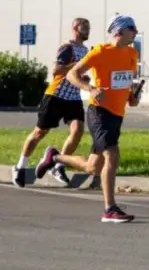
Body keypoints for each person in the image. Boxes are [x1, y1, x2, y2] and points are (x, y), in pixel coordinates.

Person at [35, 14, 143, 223]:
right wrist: (90, 89)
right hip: (99, 112)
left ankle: (54, 157)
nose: (135, 32)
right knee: (112, 154)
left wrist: (133, 96)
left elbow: (125, 83)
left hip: (117, 114)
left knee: (93, 167)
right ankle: (110, 209)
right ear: (118, 31)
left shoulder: (132, 53)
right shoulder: (100, 52)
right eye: (132, 28)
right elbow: (71, 74)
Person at [13, 17, 91, 187]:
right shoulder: (67, 47)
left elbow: (77, 73)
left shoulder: (86, 51)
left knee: (77, 130)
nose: (88, 31)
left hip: (73, 96)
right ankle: (20, 166)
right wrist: (75, 66)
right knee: (39, 132)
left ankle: (58, 165)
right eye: (85, 27)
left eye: (89, 27)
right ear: (75, 28)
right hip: (56, 94)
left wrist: (83, 77)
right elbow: (56, 70)